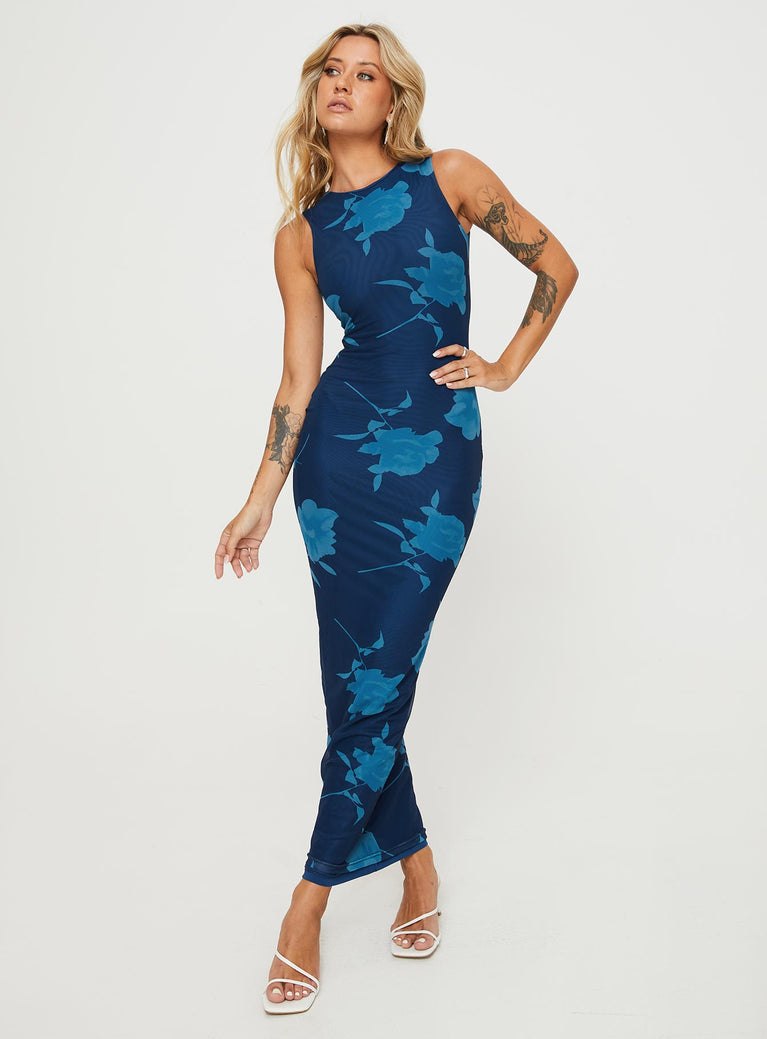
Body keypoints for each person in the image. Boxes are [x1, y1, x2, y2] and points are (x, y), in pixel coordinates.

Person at [214, 22, 578, 1015]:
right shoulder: (299, 235)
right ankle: (415, 866)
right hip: (335, 470)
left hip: (436, 463)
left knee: (378, 675)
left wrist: (502, 366)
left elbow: (556, 265)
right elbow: (296, 380)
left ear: (392, 100)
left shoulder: (448, 177)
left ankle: (306, 902)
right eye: (331, 71)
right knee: (359, 682)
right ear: (315, 93)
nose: (344, 84)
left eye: (365, 73)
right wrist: (257, 500)